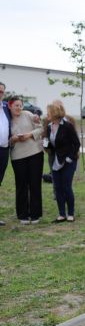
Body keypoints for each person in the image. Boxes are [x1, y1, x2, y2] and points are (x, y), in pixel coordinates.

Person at [8, 96, 44, 224]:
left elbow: (41, 128)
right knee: (21, 185)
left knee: (35, 184)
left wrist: (29, 135)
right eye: (16, 105)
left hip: (35, 153)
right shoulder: (6, 119)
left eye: (20, 105)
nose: (19, 108)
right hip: (18, 156)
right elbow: (5, 139)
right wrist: (13, 139)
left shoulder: (28, 114)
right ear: (10, 106)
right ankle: (22, 215)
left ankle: (35, 214)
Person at [46, 101, 81, 223]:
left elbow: (76, 143)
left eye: (48, 113)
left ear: (54, 113)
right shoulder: (49, 126)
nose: (47, 115)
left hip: (68, 161)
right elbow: (53, 144)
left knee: (66, 187)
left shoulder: (67, 126)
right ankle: (61, 214)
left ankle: (71, 213)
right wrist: (46, 145)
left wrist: (70, 158)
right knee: (58, 187)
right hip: (56, 160)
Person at [0, 82, 12, 226]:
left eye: (2, 92)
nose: (0, 94)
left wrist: (35, 116)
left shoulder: (5, 107)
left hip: (3, 150)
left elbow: (18, 111)